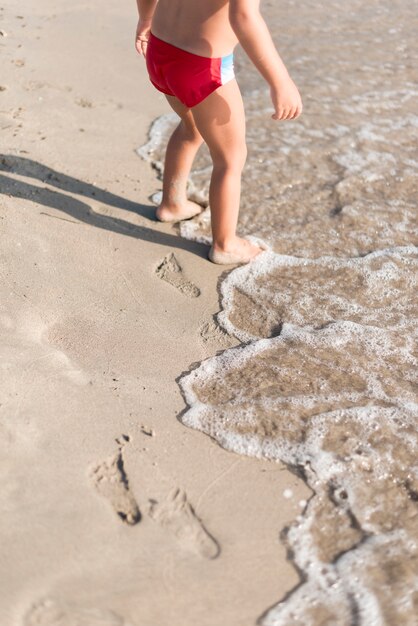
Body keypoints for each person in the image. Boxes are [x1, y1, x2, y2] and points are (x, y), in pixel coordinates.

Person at [135, 0, 302, 264]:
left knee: (191, 128)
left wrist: (145, 19)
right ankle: (226, 244)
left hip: (161, 49)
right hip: (202, 67)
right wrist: (280, 81)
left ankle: (172, 203)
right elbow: (244, 17)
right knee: (230, 159)